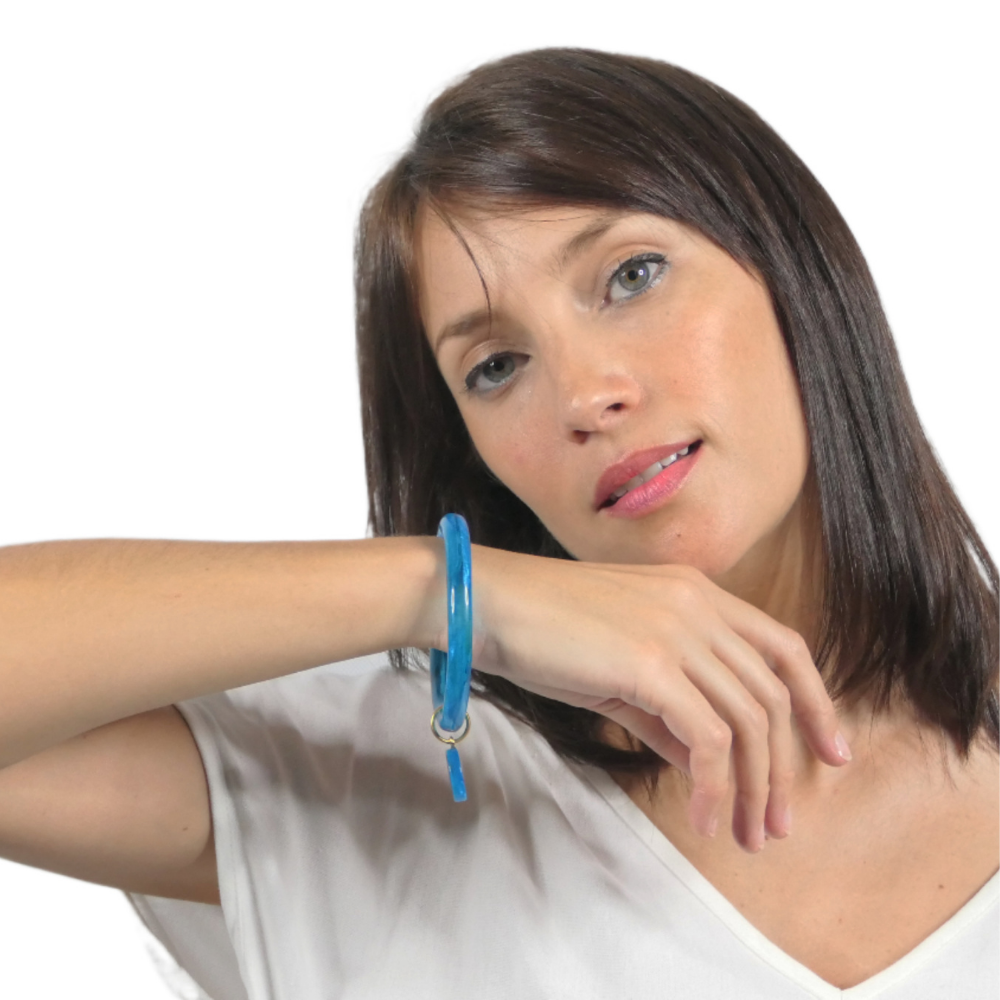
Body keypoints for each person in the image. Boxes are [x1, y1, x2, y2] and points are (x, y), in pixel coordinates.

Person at [0, 47, 996, 999]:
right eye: (496, 366)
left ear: (796, 268)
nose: (585, 395)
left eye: (631, 276)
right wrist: (443, 588)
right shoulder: (366, 783)